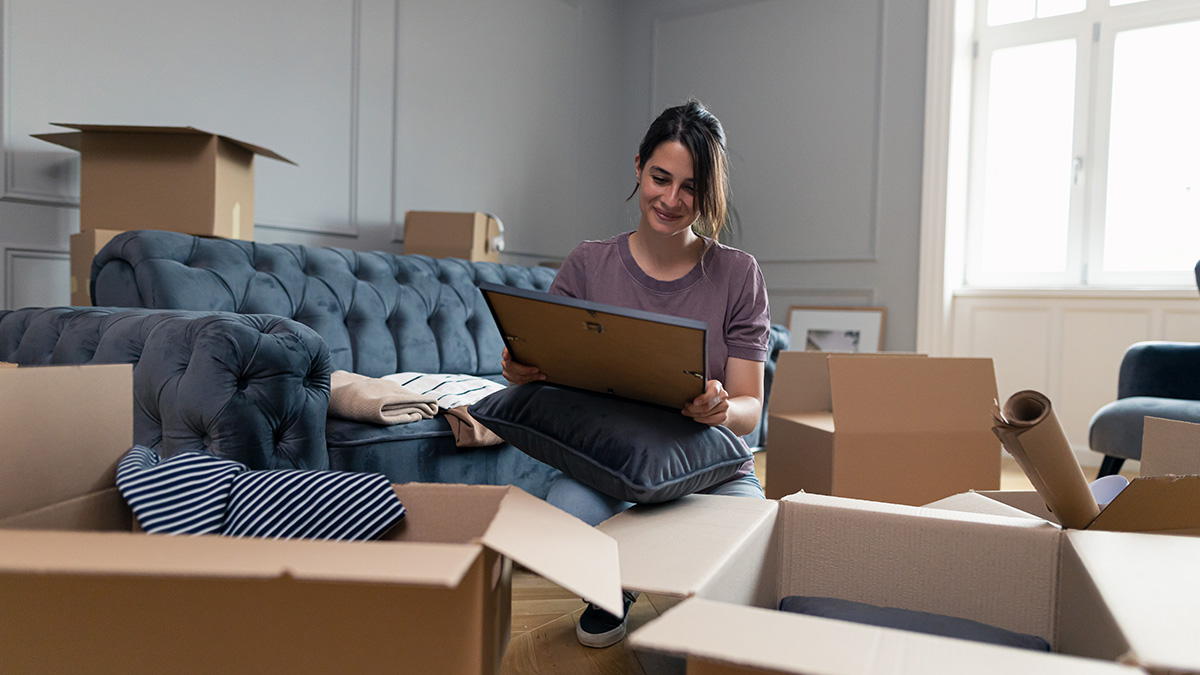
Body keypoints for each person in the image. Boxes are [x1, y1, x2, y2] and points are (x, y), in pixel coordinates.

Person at [501, 99, 771, 648]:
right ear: (638, 167)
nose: (671, 200)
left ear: (710, 192)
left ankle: (663, 575)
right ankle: (611, 589)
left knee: (749, 549)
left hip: (708, 465)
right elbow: (554, 380)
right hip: (611, 462)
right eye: (660, 178)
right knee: (566, 509)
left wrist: (722, 408)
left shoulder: (738, 273)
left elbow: (749, 410)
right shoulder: (587, 264)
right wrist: (524, 371)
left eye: (691, 188)